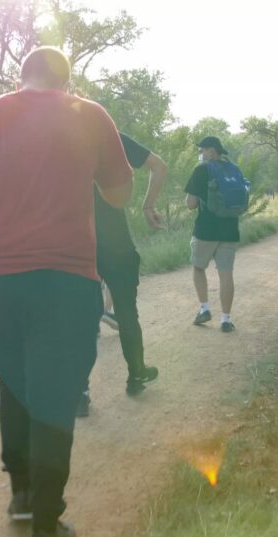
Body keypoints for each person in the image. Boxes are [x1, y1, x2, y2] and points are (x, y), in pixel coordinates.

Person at [0, 46, 133, 537]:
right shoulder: (89, 116)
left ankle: (22, 494)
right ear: (66, 81)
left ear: (21, 77)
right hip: (65, 276)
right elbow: (118, 196)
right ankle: (46, 525)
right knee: (56, 390)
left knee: (14, 376)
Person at [77, 132, 166, 418]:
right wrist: (148, 205)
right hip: (116, 243)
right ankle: (136, 374)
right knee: (127, 312)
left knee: (78, 320)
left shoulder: (48, 137)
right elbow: (159, 166)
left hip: (75, 244)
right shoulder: (107, 133)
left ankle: (79, 392)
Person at [186, 136, 240, 333]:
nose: (200, 154)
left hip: (206, 230)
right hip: (230, 230)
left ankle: (205, 309)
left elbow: (191, 204)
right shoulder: (234, 169)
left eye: (202, 150)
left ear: (211, 151)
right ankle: (226, 320)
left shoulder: (201, 170)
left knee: (198, 268)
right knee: (226, 274)